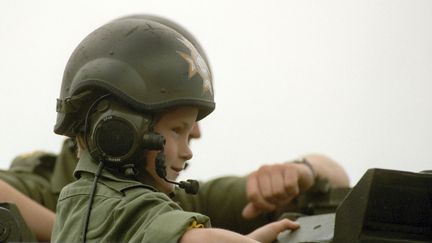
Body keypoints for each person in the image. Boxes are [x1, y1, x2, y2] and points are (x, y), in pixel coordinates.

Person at [0, 15, 350, 242]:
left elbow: (337, 179)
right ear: (120, 129)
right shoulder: (47, 187)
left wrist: (302, 171)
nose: (194, 138)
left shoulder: (172, 195)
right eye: (178, 128)